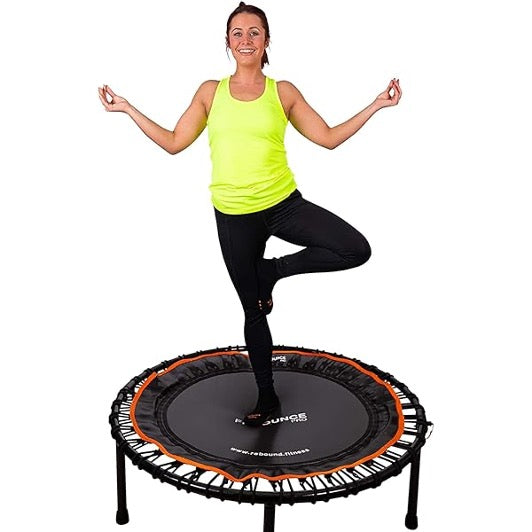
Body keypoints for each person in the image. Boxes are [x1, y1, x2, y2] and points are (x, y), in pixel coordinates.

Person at [98, 2, 402, 427]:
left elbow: (329, 138)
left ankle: (271, 272)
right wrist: (129, 110)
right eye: (237, 33)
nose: (246, 40)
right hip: (234, 216)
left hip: (282, 204)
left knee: (355, 249)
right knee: (252, 312)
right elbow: (173, 142)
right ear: (227, 42)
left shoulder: (284, 92)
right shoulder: (210, 91)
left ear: (267, 42)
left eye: (254, 33)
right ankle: (267, 396)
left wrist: (375, 105)